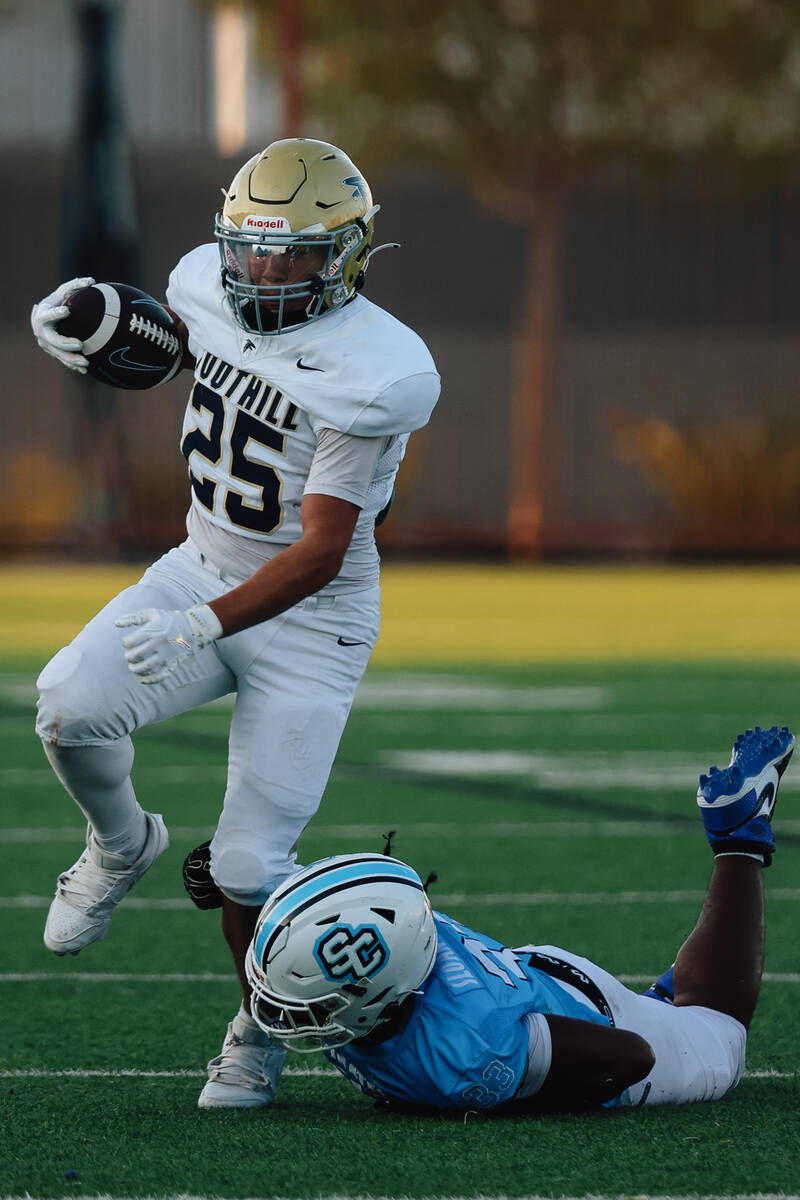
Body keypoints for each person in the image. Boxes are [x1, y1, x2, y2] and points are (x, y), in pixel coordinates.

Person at [29, 138, 440, 1110]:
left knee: (251, 865)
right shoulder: (208, 285)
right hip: (200, 562)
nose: (261, 271)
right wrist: (99, 323)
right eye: (249, 249)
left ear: (343, 256)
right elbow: (176, 347)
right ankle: (121, 844)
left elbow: (322, 551)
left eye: (289, 254)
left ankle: (255, 1033)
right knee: (66, 706)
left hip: (312, 621)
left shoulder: (375, 374)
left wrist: (203, 628)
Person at [245, 724, 793, 1114]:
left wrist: (519, 1088)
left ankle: (738, 840)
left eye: (315, 1003)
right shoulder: (395, 920)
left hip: (567, 1020)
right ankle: (665, 991)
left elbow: (632, 1057)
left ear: (375, 995)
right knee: (664, 1008)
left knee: (718, 1032)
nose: (293, 1015)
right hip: (532, 983)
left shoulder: (468, 1053)